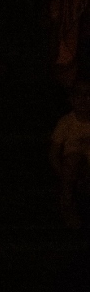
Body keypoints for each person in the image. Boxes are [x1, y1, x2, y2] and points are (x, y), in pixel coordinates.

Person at [50, 80, 90, 229]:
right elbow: (54, 153)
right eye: (78, 95)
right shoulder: (66, 122)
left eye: (88, 95)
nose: (83, 99)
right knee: (73, 158)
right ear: (72, 99)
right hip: (72, 169)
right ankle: (67, 205)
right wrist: (64, 175)